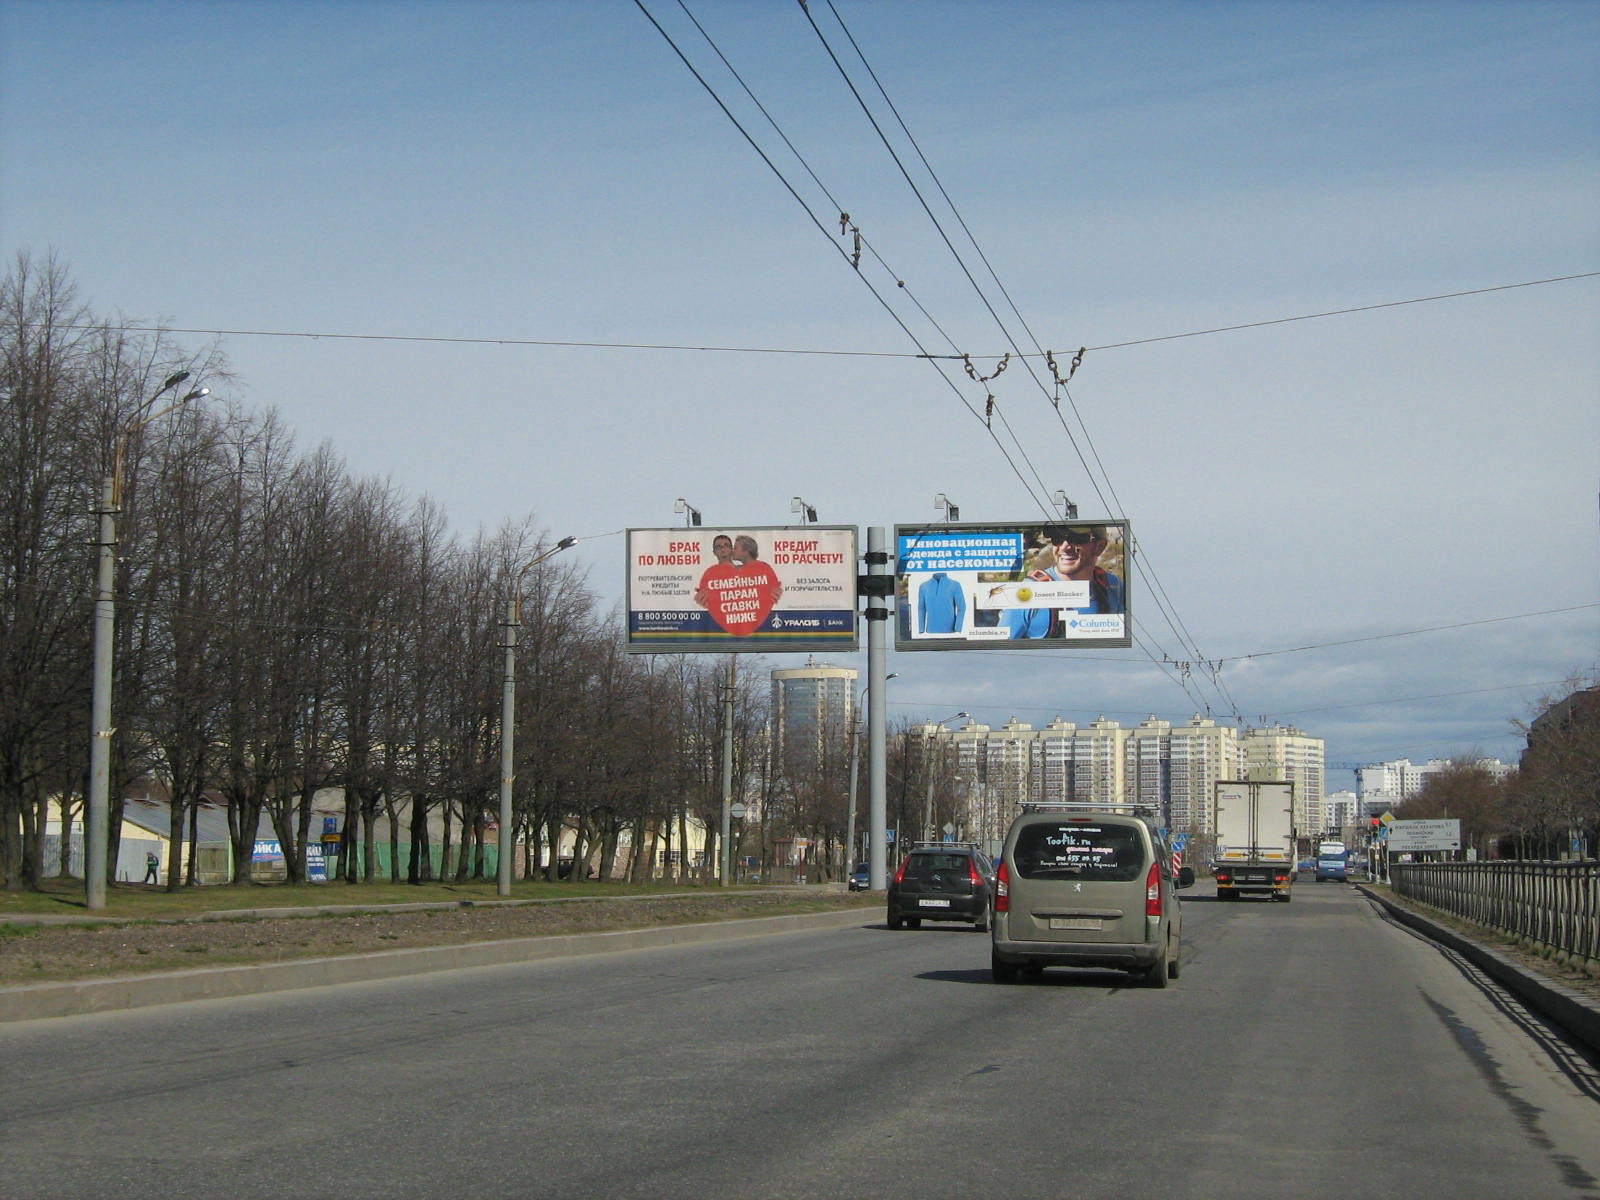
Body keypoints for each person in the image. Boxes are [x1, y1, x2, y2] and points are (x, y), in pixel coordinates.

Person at [1006, 524, 1124, 637]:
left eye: (1076, 538)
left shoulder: (1115, 587)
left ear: (1100, 547)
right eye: (1057, 539)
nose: (1064, 548)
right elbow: (1001, 651)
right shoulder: (1029, 591)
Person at [693, 533, 736, 607]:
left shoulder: (742, 572)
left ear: (732, 549)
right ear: (714, 552)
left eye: (726, 546)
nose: (723, 550)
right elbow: (704, 601)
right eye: (719, 547)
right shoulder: (709, 574)